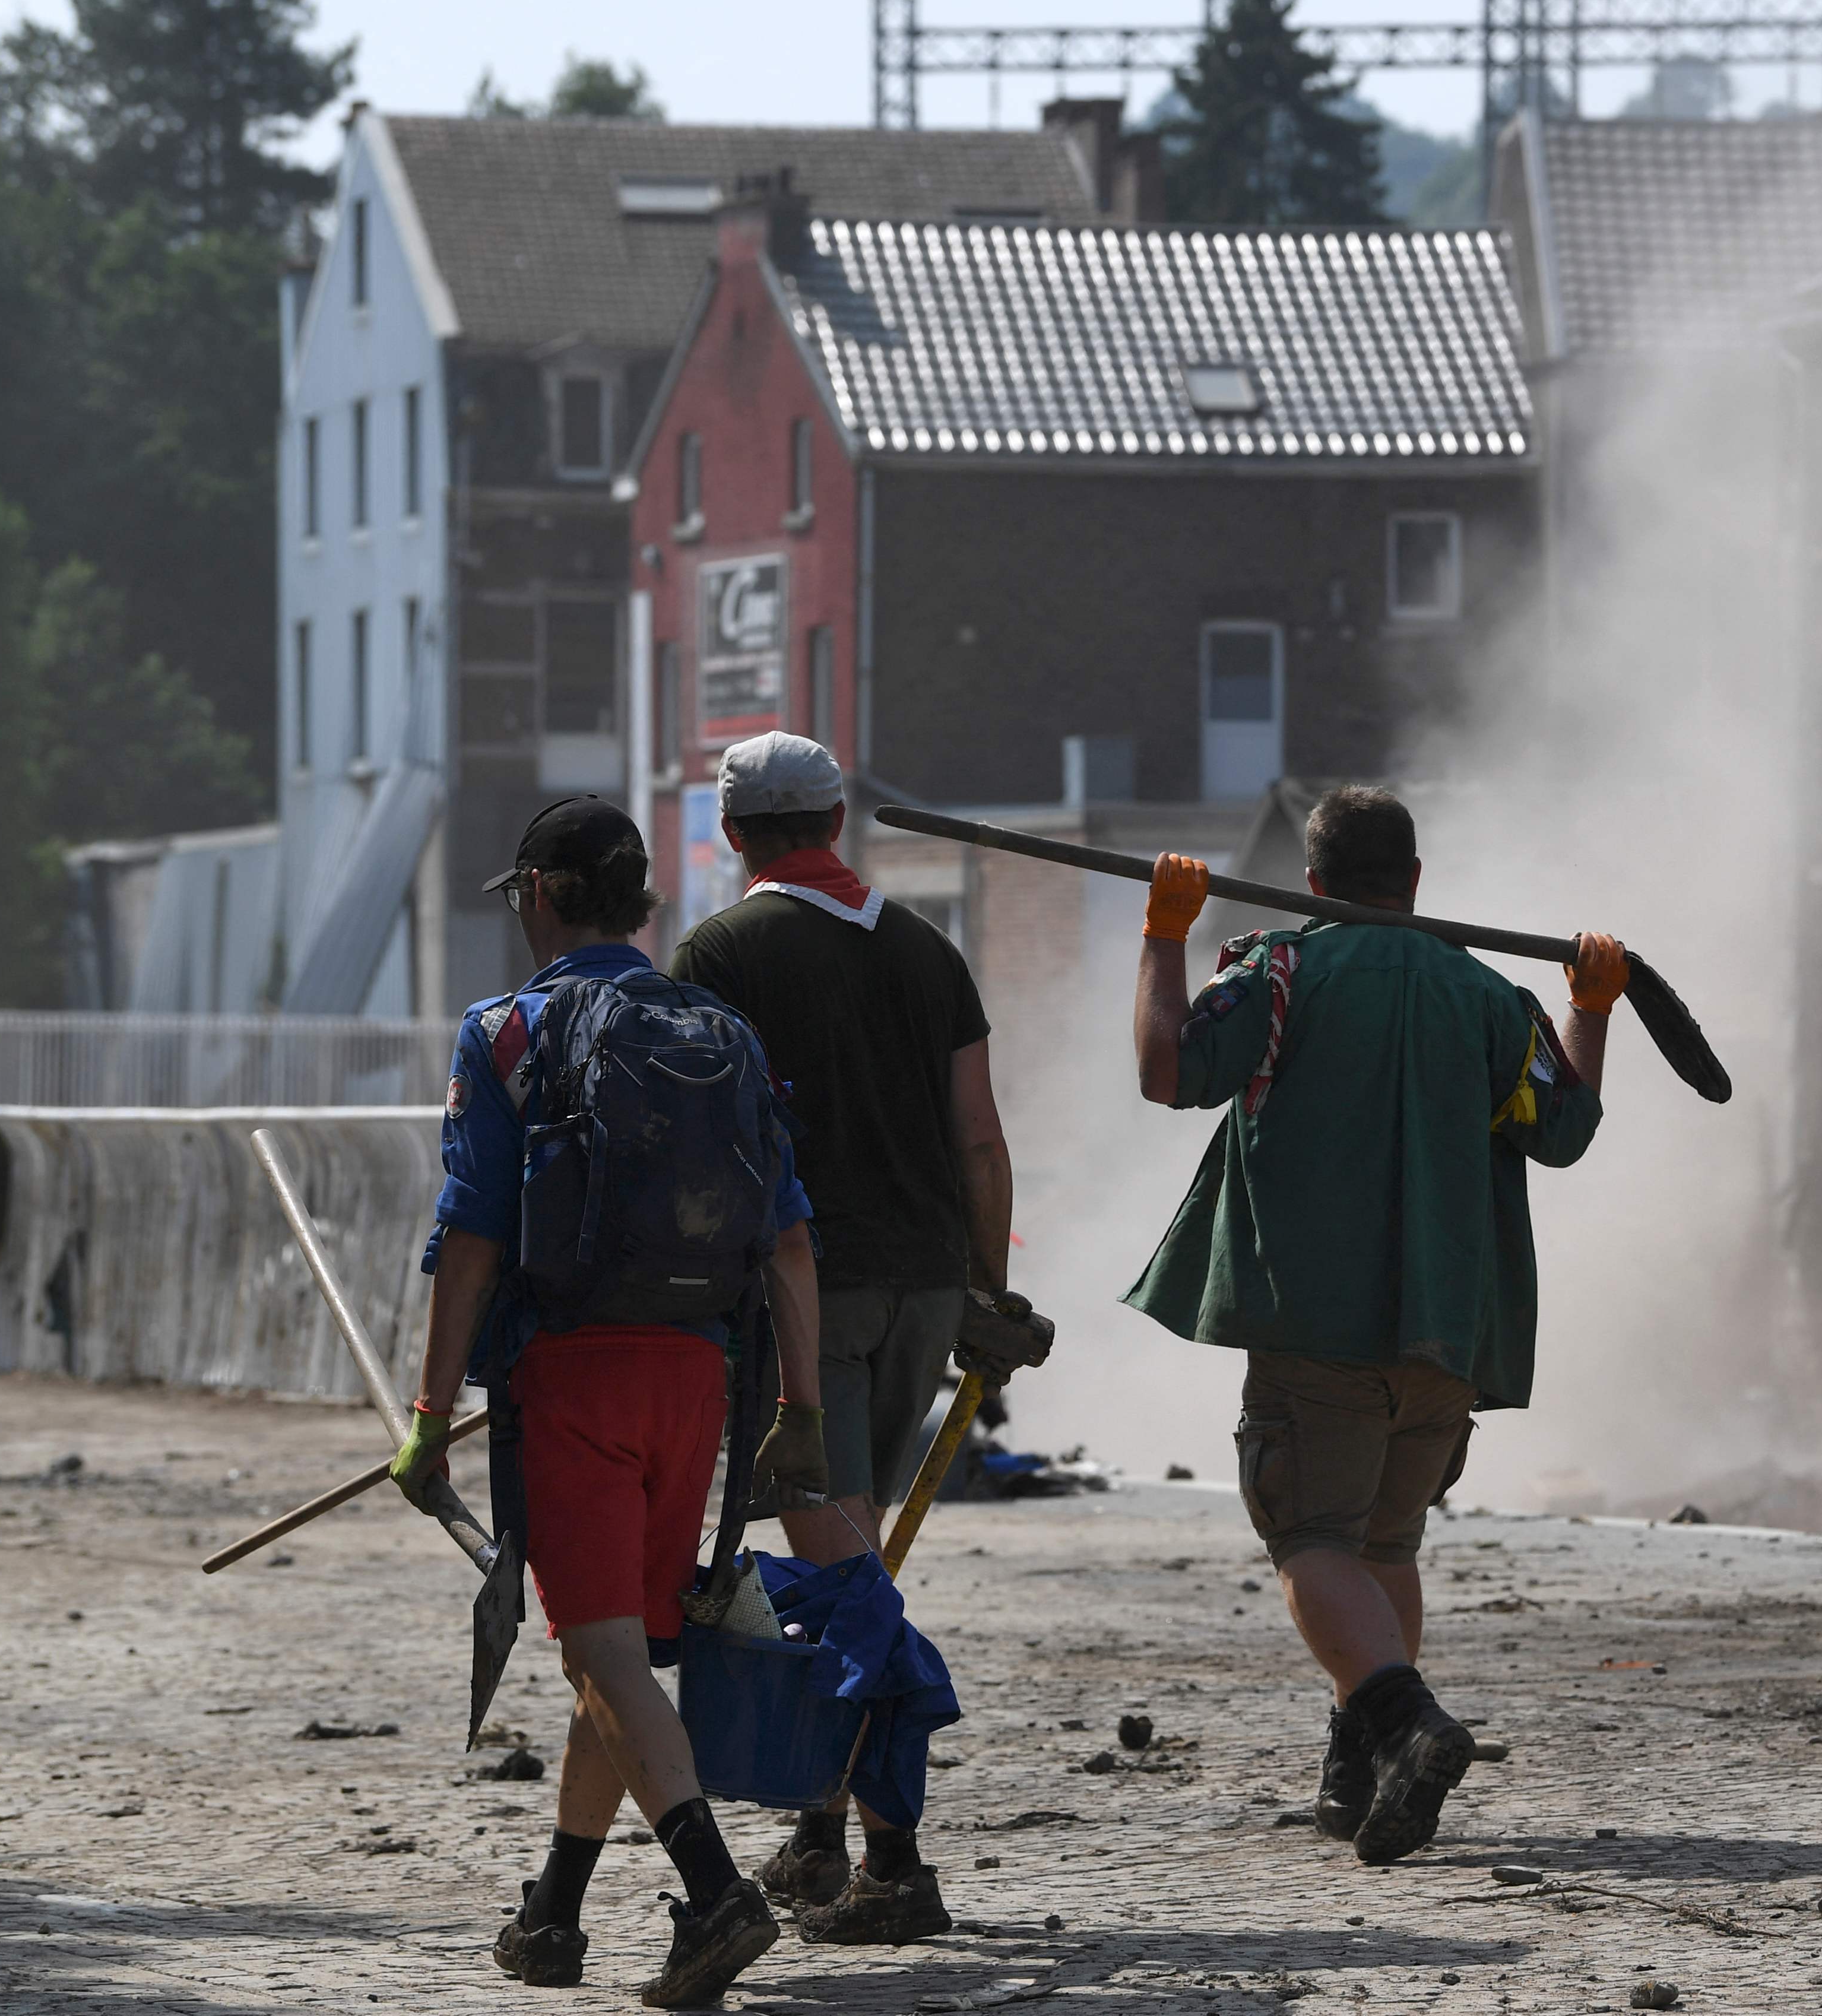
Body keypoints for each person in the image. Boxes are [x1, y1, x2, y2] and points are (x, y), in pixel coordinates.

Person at [1124, 784, 1618, 1864]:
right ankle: (1358, 1773)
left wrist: (1165, 938)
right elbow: (1565, 1128)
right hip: (1449, 1333)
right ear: (1415, 882)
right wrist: (1590, 1003)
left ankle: (1406, 1723)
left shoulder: (1279, 972)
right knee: (1386, 1543)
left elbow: (1169, 1072)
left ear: (1312, 885)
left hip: (1316, 1330)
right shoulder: (1491, 1000)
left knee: (1308, 1537)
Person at [388, 794, 827, 2007]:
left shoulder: (510, 1029)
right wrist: (800, 1408)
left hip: (572, 1377)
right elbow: (790, 1242)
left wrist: (427, 1414)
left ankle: (717, 1889)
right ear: (635, 898)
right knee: (620, 1649)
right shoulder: (723, 1030)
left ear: (538, 891)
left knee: (601, 1650)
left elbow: (471, 1236)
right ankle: (556, 1913)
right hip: (700, 1377)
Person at [668, 731, 1044, 1942]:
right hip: (927, 1287)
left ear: (734, 836)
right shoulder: (930, 952)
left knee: (846, 1583)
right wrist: (985, 1291)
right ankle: (823, 1826)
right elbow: (980, 1138)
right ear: (836, 818)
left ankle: (895, 1858)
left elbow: (698, 1149)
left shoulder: (719, 954)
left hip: (805, 1294)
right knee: (853, 1566)